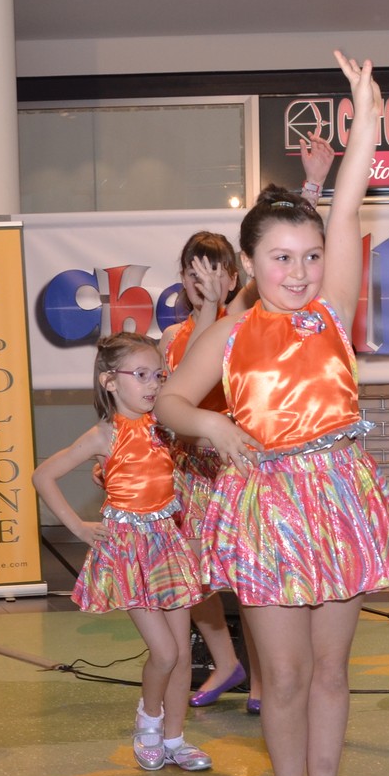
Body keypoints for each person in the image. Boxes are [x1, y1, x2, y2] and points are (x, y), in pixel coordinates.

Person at [156, 51, 389, 776]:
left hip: (338, 500)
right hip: (266, 506)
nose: (300, 271)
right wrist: (212, 427)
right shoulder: (230, 334)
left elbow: (348, 205)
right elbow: (168, 402)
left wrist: (365, 120)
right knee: (287, 674)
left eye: (309, 255)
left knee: (332, 671)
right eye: (281, 257)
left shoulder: (330, 312)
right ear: (250, 263)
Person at [35, 332, 214, 772]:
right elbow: (43, 476)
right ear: (110, 381)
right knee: (165, 652)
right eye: (141, 375)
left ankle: (175, 739)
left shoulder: (165, 428)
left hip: (167, 544)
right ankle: (148, 721)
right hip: (129, 551)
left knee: (182, 655)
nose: (153, 384)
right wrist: (78, 526)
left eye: (159, 375)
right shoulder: (103, 434)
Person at [160, 229, 252, 712]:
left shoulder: (242, 326)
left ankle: (262, 680)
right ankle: (226, 661)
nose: (203, 282)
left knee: (249, 575)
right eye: (193, 273)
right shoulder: (171, 337)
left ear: (234, 278)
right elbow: (169, 394)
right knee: (193, 576)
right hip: (186, 467)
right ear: (182, 278)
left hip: (233, 464)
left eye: (214, 273)